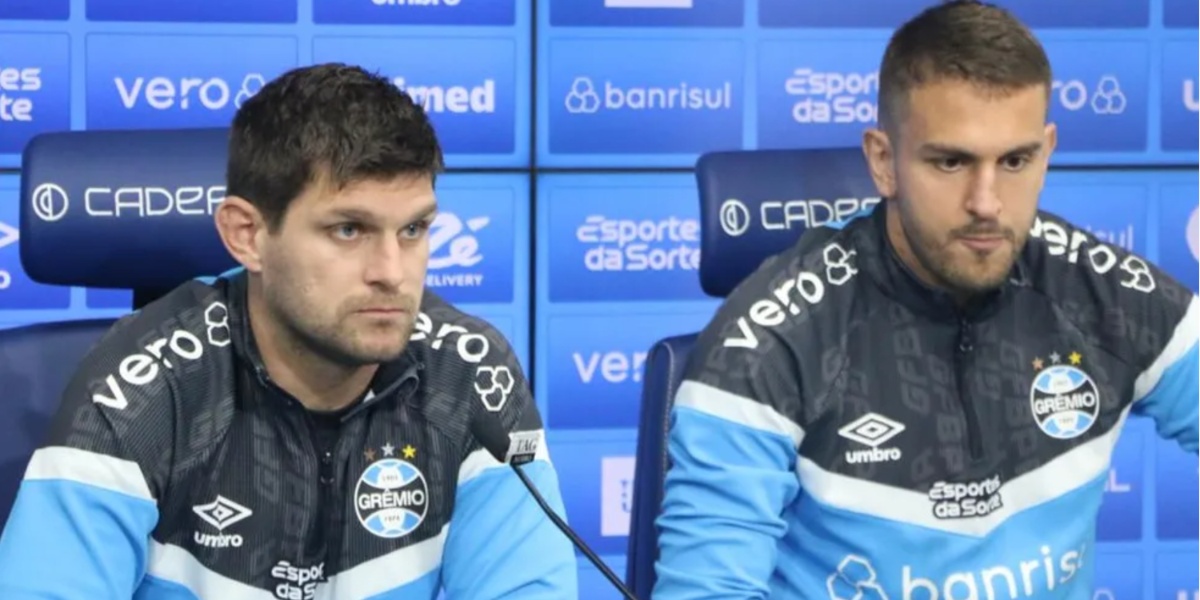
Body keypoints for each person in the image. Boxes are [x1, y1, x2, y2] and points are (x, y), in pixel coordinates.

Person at [651, 1, 1198, 597]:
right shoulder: (772, 340)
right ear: (883, 162)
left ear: (1047, 151)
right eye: (951, 161)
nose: (987, 202)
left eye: (1015, 161)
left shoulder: (1104, 295)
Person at [0, 64, 578, 599]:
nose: (392, 274)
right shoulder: (139, 390)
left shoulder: (469, 373)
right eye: (349, 230)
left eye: (414, 229)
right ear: (247, 235)